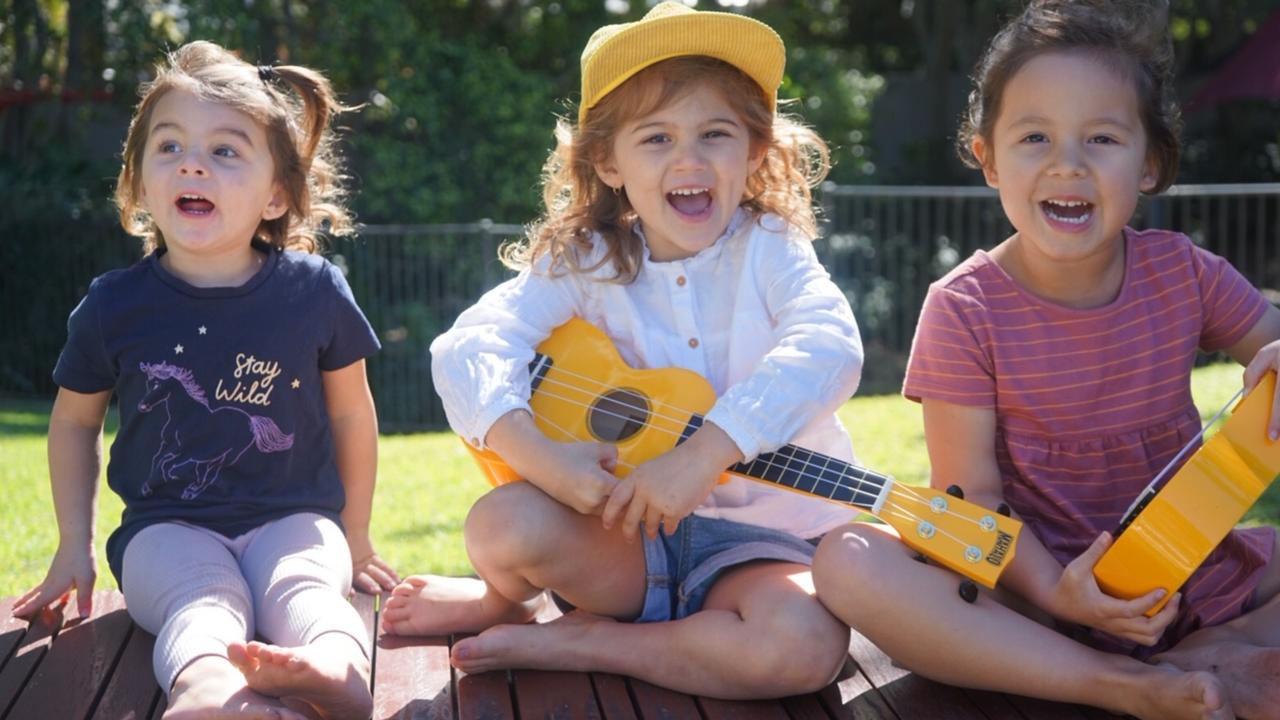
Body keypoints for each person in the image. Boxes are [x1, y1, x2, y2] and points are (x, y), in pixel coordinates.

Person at [381, 1, 863, 699]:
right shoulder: (586, 262)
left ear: (755, 150)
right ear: (607, 160)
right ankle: (505, 600)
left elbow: (830, 345)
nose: (689, 158)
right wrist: (546, 461)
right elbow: (467, 346)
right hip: (629, 549)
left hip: (771, 547)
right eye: (657, 138)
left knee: (803, 647)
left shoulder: (771, 249)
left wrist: (704, 457)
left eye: (715, 133)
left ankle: (597, 643)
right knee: (500, 521)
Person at [811, 1, 1280, 719]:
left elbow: (1273, 345)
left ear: (1150, 163)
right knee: (847, 558)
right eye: (1035, 136)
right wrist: (1058, 591)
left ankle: (1205, 651)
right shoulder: (964, 306)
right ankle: (1117, 683)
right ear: (989, 158)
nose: (1068, 163)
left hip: (1185, 574)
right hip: (1032, 600)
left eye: (1101, 137)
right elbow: (973, 496)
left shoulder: (1183, 271)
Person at [11, 41, 400, 720]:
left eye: (225, 151)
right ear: (136, 184)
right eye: (170, 147)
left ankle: (336, 669)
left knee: (306, 589)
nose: (192, 162)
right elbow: (75, 423)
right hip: (166, 527)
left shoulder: (315, 291)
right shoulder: (113, 305)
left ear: (277, 195)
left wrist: (356, 533)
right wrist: (74, 544)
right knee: (199, 597)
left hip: (296, 518)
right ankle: (207, 691)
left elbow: (350, 414)